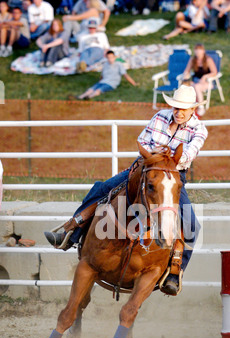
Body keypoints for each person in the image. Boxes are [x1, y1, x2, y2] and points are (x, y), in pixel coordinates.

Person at [45, 85, 208, 295]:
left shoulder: (199, 129)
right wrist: (153, 152)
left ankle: (175, 272)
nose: (178, 111)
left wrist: (160, 155)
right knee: (102, 188)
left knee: (192, 224)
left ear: (192, 110)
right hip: (143, 168)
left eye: (183, 109)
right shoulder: (160, 117)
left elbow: (187, 156)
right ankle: (71, 232)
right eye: (175, 107)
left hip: (171, 176)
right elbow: (142, 140)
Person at [182, 43, 217, 116]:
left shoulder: (208, 59)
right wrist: (185, 76)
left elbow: (214, 72)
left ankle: (201, 107)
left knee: (196, 87)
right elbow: (187, 70)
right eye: (196, 49)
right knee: (186, 85)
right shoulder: (193, 59)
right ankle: (185, 105)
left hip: (207, 82)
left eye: (200, 50)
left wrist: (205, 77)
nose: (198, 51)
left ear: (203, 51)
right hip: (196, 81)